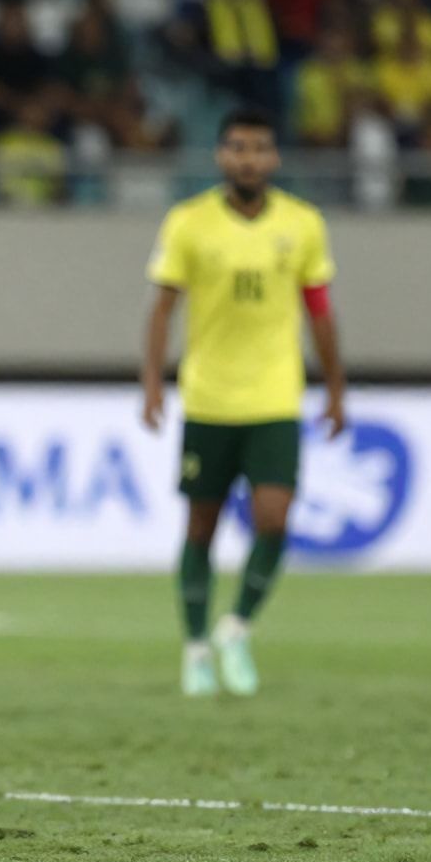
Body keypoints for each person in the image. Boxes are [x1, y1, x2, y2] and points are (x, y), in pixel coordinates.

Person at [141, 108, 346, 698]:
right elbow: (162, 308)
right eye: (237, 147)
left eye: (258, 148)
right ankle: (197, 648)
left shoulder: (303, 223)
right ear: (221, 156)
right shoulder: (189, 223)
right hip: (208, 397)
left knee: (275, 519)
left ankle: (237, 628)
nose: (248, 158)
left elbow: (320, 311)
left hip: (276, 396)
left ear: (274, 157)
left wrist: (335, 389)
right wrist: (154, 382)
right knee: (201, 526)